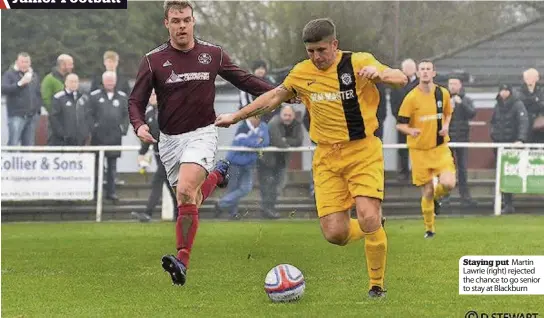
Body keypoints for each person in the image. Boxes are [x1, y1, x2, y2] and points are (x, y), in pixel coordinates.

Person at [215, 18, 408, 298]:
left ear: (334, 44)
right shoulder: (301, 73)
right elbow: (273, 97)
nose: (316, 57)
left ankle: (376, 286)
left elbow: (400, 77)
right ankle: (375, 227)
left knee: (367, 215)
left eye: (321, 50)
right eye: (310, 52)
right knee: (335, 234)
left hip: (363, 151)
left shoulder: (358, 63)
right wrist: (235, 116)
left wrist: (381, 76)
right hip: (327, 159)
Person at [128, 0, 277, 286]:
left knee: (185, 190)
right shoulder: (153, 60)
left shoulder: (213, 54)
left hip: (203, 133)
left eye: (186, 19)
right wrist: (139, 125)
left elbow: (244, 80)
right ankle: (220, 173)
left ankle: (182, 260)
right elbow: (136, 100)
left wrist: (280, 92)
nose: (182, 25)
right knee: (191, 199)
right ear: (166, 23)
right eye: (176, 20)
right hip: (169, 141)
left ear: (193, 21)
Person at [396, 60, 456, 239]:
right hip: (420, 151)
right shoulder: (411, 97)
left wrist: (445, 126)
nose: (425, 72)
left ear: (433, 73)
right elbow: (400, 124)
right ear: (418, 72)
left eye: (428, 69)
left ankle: (438, 198)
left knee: (449, 183)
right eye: (422, 69)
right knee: (427, 190)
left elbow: (448, 113)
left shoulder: (442, 93)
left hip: (440, 148)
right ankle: (429, 229)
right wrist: (411, 130)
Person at [131, 90, 178, 222]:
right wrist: (142, 153)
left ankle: (148, 213)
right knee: (170, 184)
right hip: (158, 155)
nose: (151, 97)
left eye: (153, 94)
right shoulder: (150, 113)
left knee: (157, 181)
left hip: (170, 155)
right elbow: (148, 135)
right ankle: (180, 213)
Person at [215, 115, 269, 220]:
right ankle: (233, 214)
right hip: (235, 162)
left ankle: (221, 204)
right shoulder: (242, 128)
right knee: (233, 188)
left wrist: (256, 142)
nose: (256, 119)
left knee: (246, 188)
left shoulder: (263, 126)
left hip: (249, 163)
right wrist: (257, 141)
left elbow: (265, 142)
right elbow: (244, 142)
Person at [490, 84, 529, 214]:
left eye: (506, 90)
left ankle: (509, 202)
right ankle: (505, 202)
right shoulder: (498, 105)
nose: (504, 93)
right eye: (502, 90)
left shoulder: (518, 104)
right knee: (502, 173)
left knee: (510, 172)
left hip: (512, 144)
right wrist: (494, 135)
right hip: (499, 143)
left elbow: (523, 122)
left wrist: (520, 139)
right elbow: (493, 122)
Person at [445, 76, 477, 207]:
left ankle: (465, 196)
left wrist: (461, 103)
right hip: (447, 139)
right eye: (450, 83)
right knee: (447, 169)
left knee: (463, 169)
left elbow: (472, 113)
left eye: (455, 84)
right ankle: (445, 196)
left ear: (460, 85)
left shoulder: (466, 99)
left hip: (462, 138)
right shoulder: (443, 99)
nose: (452, 86)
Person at [2, 52, 42, 146]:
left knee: (29, 145)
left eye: (27, 62)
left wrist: (38, 111)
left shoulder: (34, 76)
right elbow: (3, 89)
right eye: (22, 62)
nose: (25, 64)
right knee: (13, 143)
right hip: (16, 115)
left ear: (30, 63)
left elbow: (38, 93)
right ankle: (11, 160)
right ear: (17, 62)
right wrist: (19, 84)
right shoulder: (9, 74)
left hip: (32, 116)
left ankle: (27, 161)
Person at [390, 58, 419, 181]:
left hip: (418, 122)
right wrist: (400, 118)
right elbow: (393, 103)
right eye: (406, 68)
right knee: (402, 147)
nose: (408, 70)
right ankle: (404, 172)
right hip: (402, 121)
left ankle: (418, 171)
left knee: (418, 147)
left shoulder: (420, 84)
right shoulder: (396, 84)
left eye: (411, 68)